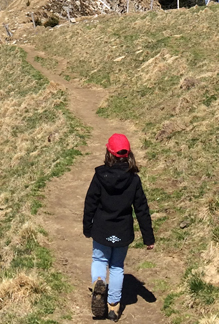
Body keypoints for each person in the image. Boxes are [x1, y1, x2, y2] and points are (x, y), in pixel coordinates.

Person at [83, 134, 154, 321]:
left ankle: (98, 282)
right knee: (116, 267)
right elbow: (142, 210)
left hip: (101, 229)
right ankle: (113, 306)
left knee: (99, 259)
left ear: (108, 153)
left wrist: (87, 227)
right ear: (128, 155)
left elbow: (90, 203)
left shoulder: (100, 176)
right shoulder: (134, 180)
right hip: (122, 232)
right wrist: (148, 238)